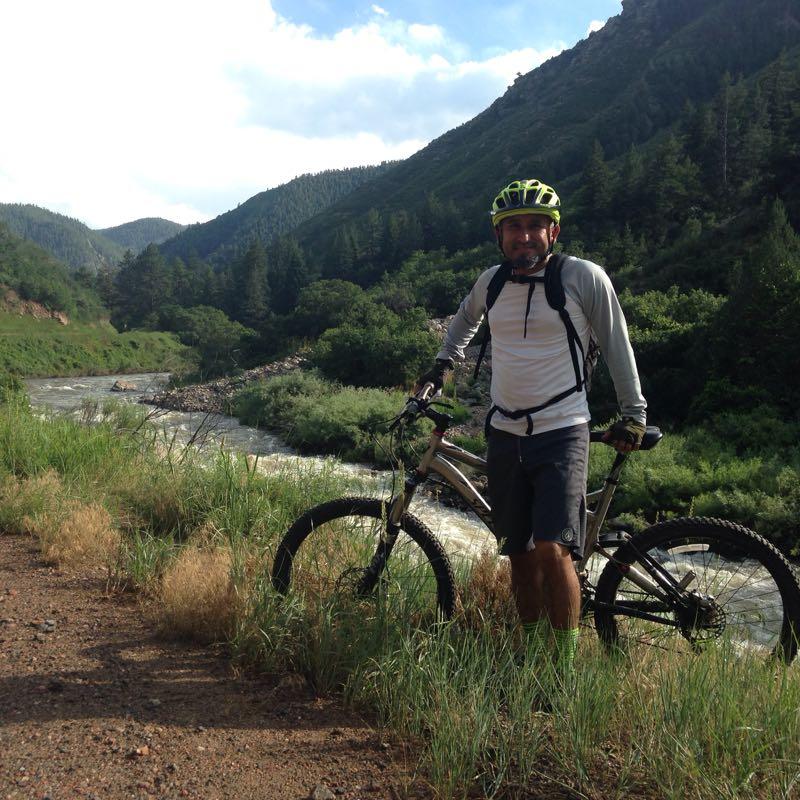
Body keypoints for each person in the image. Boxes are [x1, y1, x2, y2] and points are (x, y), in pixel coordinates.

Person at [417, 178, 647, 679]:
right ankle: (531, 654)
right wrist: (441, 365)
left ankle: (561, 670)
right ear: (499, 236)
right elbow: (461, 324)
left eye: (535, 226)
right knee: (517, 550)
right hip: (504, 431)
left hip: (563, 428)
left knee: (553, 546)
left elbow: (616, 345)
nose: (524, 236)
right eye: (513, 227)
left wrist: (634, 412)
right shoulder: (491, 283)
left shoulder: (583, 277)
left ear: (554, 231)